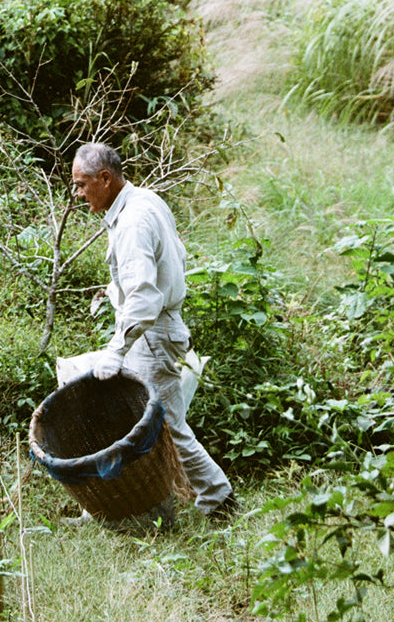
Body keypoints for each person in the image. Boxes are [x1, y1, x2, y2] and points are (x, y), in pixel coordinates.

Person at [71, 141, 237, 521]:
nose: (78, 194)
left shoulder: (132, 222)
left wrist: (116, 350)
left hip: (152, 334)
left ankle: (218, 498)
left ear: (105, 179)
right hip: (154, 330)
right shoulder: (144, 200)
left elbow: (144, 297)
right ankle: (124, 504)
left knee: (166, 426)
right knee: (153, 423)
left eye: (81, 185)